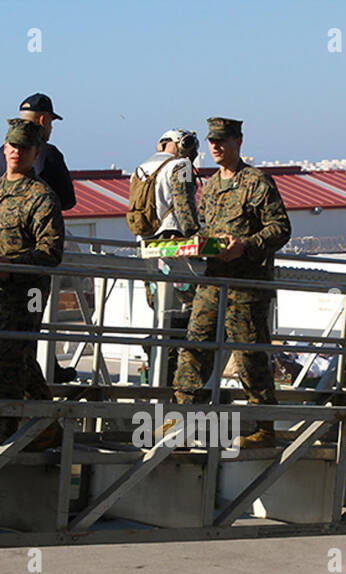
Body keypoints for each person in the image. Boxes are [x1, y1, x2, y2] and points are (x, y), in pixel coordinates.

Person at [172, 117, 291, 449]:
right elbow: (204, 232)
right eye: (212, 141)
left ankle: (263, 427)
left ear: (239, 141)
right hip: (213, 281)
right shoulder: (208, 188)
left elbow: (280, 227)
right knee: (195, 347)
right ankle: (178, 423)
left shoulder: (256, 182)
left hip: (247, 286)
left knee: (250, 356)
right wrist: (196, 244)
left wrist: (246, 246)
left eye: (222, 140)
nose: (215, 146)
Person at [0, 118, 65, 451]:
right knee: (19, 357)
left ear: (35, 153)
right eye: (11, 146)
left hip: (27, 291)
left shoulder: (41, 197)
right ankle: (48, 423)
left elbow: (50, 252)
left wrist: (13, 266)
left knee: (6, 358)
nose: (15, 152)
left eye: (23, 148)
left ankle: (6, 431)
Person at [131, 129, 201, 384]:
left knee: (162, 310)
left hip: (148, 249)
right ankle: (171, 372)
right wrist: (195, 235)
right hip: (172, 245)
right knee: (188, 309)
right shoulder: (180, 165)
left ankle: (159, 365)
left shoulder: (141, 168)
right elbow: (184, 205)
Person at [0, 93, 75, 211]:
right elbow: (67, 201)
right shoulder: (49, 153)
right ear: (42, 120)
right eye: (50, 122)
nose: (51, 128)